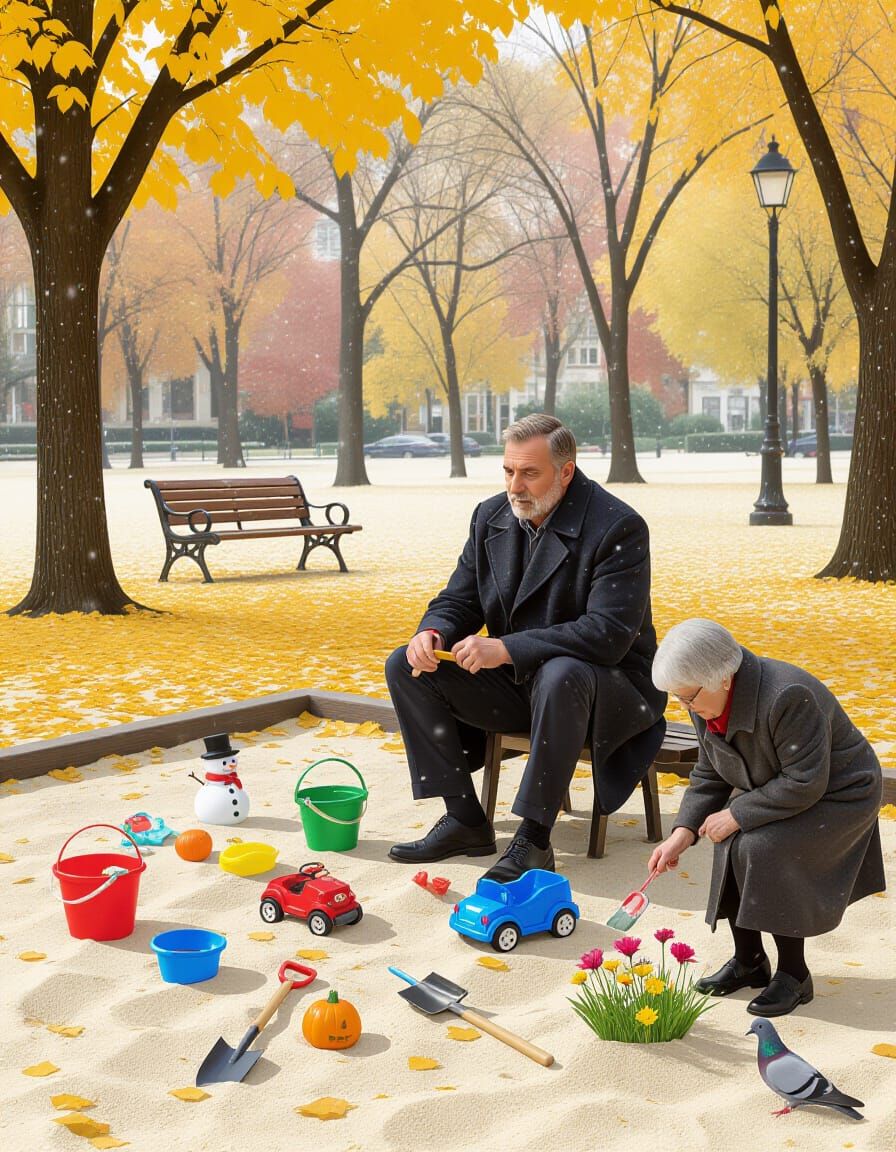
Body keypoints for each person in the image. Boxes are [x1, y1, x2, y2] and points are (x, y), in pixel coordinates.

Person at [384, 413, 667, 883]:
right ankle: (465, 820)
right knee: (406, 665)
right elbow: (460, 598)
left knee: (562, 672)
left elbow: (607, 634)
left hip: (613, 689)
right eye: (509, 471)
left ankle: (534, 838)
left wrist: (508, 648)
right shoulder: (491, 515)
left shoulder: (619, 526)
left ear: (566, 471)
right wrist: (432, 632)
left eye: (529, 473)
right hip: (526, 683)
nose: (516, 485)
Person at [649, 618, 885, 1017]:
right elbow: (711, 771)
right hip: (776, 783)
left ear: (722, 678)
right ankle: (750, 961)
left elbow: (806, 781)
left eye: (687, 697)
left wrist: (738, 813)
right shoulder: (703, 698)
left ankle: (795, 975)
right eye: (680, 699)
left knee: (764, 847)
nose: (685, 706)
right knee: (727, 838)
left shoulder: (786, 695)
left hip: (840, 793)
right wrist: (683, 832)